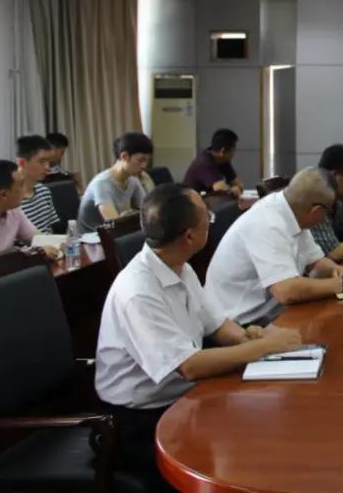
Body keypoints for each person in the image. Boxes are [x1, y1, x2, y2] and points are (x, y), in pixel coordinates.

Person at [95, 184, 302, 492]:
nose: (211, 224)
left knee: (269, 424)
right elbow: (189, 366)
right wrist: (262, 347)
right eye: (208, 220)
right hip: (140, 420)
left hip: (184, 399)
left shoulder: (180, 268)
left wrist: (247, 336)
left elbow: (216, 326)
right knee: (244, 452)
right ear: (189, 236)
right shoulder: (137, 292)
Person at [205, 167, 343, 326]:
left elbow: (315, 262)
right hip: (239, 325)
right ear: (316, 211)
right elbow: (286, 291)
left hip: (271, 312)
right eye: (328, 212)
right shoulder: (268, 223)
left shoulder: (294, 211)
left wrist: (336, 270)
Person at [77, 132, 153, 232]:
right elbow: (115, 225)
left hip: (113, 235)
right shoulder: (102, 183)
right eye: (141, 160)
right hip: (90, 237)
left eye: (147, 161)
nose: (144, 166)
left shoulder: (133, 180)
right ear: (124, 156)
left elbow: (148, 211)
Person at [16, 135, 60, 234]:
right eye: (42, 162)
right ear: (22, 163)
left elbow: (49, 231)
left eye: (49, 162)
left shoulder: (44, 192)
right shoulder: (10, 200)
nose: (47, 167)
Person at [183, 128, 242, 196]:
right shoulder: (203, 163)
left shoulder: (222, 160)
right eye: (233, 150)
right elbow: (219, 188)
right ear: (222, 151)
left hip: (207, 198)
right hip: (190, 200)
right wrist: (232, 190)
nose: (233, 154)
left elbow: (237, 184)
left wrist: (235, 188)